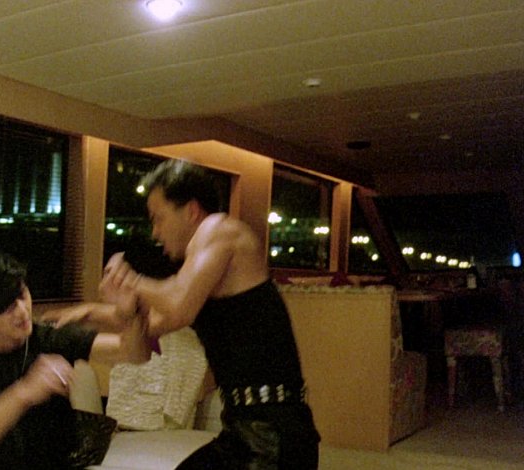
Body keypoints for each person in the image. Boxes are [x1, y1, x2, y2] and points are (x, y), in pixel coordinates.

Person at [47, 159, 320, 469]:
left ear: (191, 211)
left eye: (159, 219)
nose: (156, 232)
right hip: (245, 430)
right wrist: (89, 313)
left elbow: (176, 301)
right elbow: (156, 325)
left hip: (273, 435)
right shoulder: (201, 278)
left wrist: (128, 281)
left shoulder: (221, 229)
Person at [0, 251, 149, 470]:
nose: (22, 312)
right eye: (7, 307)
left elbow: (134, 353)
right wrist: (24, 392)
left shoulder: (49, 338)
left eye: (22, 295)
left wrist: (133, 312)